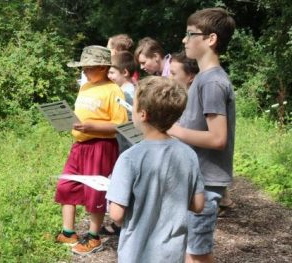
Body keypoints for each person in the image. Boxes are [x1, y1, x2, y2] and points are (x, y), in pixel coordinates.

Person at [107, 76, 205, 263]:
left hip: (135, 254)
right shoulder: (188, 154)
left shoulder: (129, 158)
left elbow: (116, 214)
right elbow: (198, 205)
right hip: (172, 254)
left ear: (142, 114)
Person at [167, 7, 236, 263]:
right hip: (197, 179)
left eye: (190, 34)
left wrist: (172, 130)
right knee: (192, 252)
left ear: (210, 39)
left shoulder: (211, 82)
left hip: (205, 183)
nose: (184, 40)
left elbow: (218, 139)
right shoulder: (204, 79)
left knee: (198, 255)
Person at [55, 45, 128, 255]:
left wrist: (92, 127)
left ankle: (94, 237)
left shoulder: (113, 90)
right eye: (83, 67)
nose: (85, 71)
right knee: (66, 185)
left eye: (89, 67)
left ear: (104, 67)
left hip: (101, 146)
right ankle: (68, 232)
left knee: (95, 190)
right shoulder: (85, 86)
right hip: (79, 145)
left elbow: (120, 125)